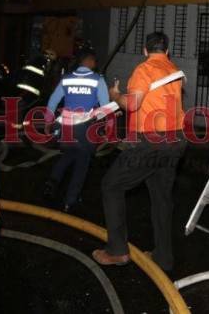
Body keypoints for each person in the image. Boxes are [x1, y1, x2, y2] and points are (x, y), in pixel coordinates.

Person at [92, 31, 186, 271]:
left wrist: (115, 95)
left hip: (151, 144)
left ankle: (117, 250)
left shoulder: (144, 70)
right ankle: (164, 258)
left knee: (111, 186)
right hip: (175, 141)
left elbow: (132, 104)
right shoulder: (174, 70)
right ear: (166, 50)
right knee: (162, 200)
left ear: (145, 50)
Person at [43, 49, 111, 212]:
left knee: (68, 154)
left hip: (64, 127)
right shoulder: (98, 80)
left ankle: (52, 181)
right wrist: (108, 126)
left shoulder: (66, 79)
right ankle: (70, 201)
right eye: (94, 61)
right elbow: (105, 107)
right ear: (89, 62)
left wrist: (47, 122)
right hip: (84, 129)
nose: (96, 64)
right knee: (82, 162)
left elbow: (53, 100)